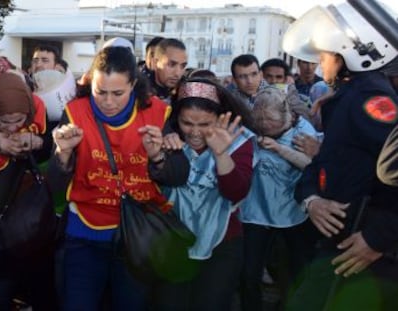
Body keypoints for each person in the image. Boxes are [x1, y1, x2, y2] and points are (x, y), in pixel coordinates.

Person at [47, 46, 186, 310]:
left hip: (139, 237)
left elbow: (179, 175)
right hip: (85, 235)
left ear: (134, 84)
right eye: (100, 92)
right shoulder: (76, 112)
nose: (108, 102)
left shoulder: (157, 113)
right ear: (92, 84)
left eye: (118, 93)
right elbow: (53, 188)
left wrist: (158, 156)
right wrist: (63, 153)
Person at [282, 2, 398, 310]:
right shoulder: (349, 97)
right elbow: (323, 164)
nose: (320, 66)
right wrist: (311, 200)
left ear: (349, 54)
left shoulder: (372, 101)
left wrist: (378, 238)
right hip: (341, 246)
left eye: (324, 56)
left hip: (366, 254)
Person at [143, 77, 255, 310]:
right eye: (187, 123)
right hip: (172, 238)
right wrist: (160, 155)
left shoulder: (237, 140)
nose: (194, 133)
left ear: (219, 117)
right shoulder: (167, 138)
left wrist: (221, 154)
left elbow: (237, 192)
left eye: (205, 124)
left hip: (223, 242)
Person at [239, 86, 318, 311]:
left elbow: (311, 165)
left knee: (297, 269)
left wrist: (279, 149)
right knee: (249, 272)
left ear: (286, 115)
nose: (264, 124)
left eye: (271, 119)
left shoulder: (303, 130)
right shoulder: (249, 129)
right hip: (255, 212)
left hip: (293, 212)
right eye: (259, 118)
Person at [0, 72, 56, 310]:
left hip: (18, 229)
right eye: (4, 121)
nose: (13, 126)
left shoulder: (36, 113)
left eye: (19, 119)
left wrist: (35, 141)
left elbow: (49, 146)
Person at [148, 38, 188, 104]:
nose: (177, 73)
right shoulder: (140, 94)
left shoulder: (185, 92)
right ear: (155, 63)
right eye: (171, 65)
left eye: (183, 66)